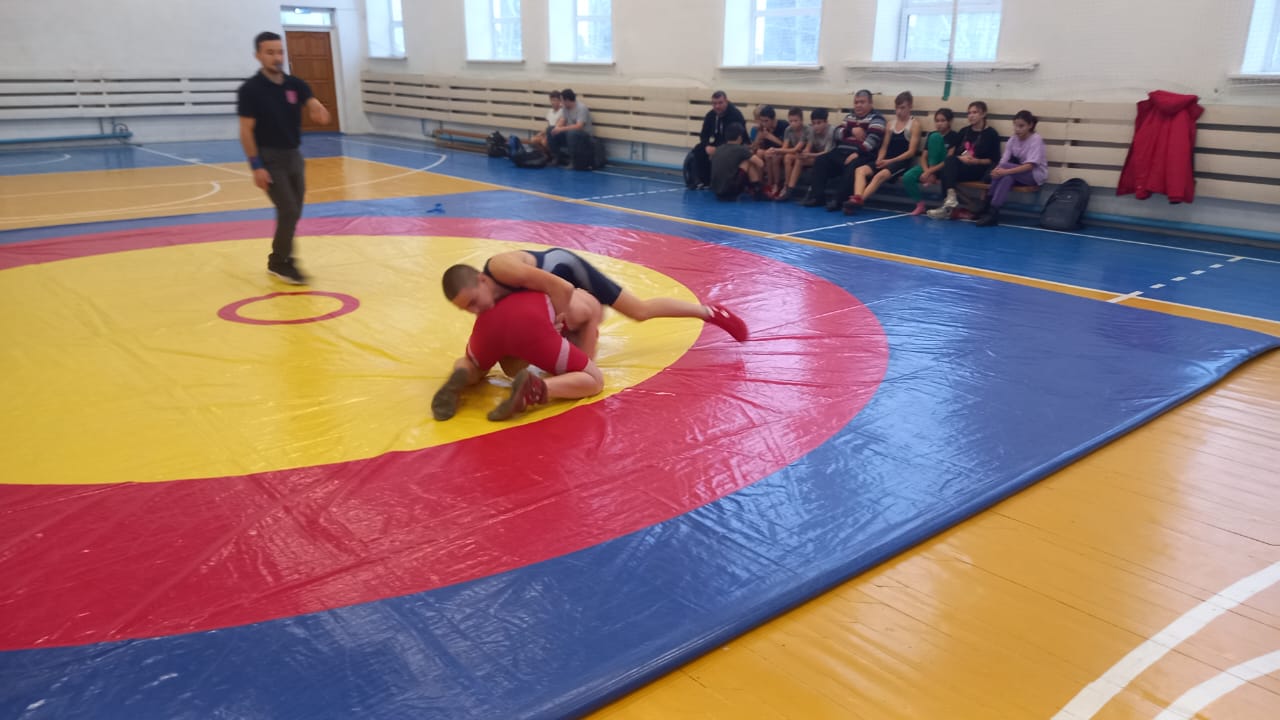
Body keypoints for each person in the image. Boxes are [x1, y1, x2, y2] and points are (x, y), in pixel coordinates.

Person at [441, 246, 749, 345]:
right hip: (558, 285)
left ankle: (710, 312)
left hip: (568, 270)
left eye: (473, 302)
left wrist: (557, 325)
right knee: (572, 330)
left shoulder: (501, 268)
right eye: (466, 309)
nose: (474, 311)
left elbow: (560, 288)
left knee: (639, 310)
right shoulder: (489, 296)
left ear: (482, 279)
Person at [237, 31, 330, 285]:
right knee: (288, 209)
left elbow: (312, 102)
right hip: (269, 158)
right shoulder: (251, 90)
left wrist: (318, 109)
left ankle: (280, 258)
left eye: (280, 52)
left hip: (293, 156)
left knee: (294, 210)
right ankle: (280, 262)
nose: (276, 57)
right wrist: (256, 166)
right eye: (270, 52)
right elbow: (245, 131)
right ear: (258, 55)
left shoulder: (294, 85)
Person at [431, 288, 605, 422]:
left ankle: (462, 372)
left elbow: (511, 368)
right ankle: (537, 388)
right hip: (533, 323)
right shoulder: (591, 309)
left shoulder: (550, 290)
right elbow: (585, 361)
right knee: (593, 380)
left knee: (474, 365)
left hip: (492, 316)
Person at [801, 89, 886, 211]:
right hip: (841, 151)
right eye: (856, 102)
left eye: (862, 102)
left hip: (863, 154)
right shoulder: (849, 117)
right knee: (821, 160)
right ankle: (817, 197)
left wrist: (857, 153)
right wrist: (852, 130)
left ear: (870, 103)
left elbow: (872, 140)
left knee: (853, 166)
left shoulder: (877, 119)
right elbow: (836, 133)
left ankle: (839, 200)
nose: (858, 105)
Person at [844, 91, 921, 214]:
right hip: (886, 160)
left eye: (902, 108)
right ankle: (857, 197)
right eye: (897, 108)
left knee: (879, 176)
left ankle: (858, 201)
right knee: (860, 170)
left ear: (910, 107)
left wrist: (889, 161)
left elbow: (911, 152)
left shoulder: (914, 125)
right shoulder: (890, 124)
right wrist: (880, 159)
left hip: (901, 162)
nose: (899, 111)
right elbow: (884, 147)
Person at [926, 100, 1001, 220]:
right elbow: (953, 154)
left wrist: (977, 161)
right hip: (962, 166)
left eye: (975, 112)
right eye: (969, 113)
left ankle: (947, 207)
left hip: (979, 169)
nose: (971, 115)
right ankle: (950, 199)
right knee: (948, 164)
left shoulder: (991, 134)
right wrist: (961, 158)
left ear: (983, 114)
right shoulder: (964, 131)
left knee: (948, 169)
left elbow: (994, 160)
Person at [975, 110, 1049, 227]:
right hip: (1017, 173)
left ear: (1030, 125)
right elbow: (1004, 160)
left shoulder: (1036, 139)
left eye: (1021, 126)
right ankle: (993, 212)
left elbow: (1030, 165)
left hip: (1034, 175)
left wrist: (1004, 171)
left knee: (1005, 171)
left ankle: (987, 203)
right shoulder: (1013, 139)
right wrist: (996, 171)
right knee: (1007, 178)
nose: (1017, 129)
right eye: (1015, 125)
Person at [901, 108, 959, 215]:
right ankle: (920, 204)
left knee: (936, 138)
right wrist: (926, 171)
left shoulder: (954, 136)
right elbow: (924, 157)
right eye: (937, 121)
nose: (939, 124)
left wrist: (930, 172)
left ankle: (946, 207)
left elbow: (949, 160)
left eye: (943, 120)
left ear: (950, 121)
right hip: (928, 167)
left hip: (943, 168)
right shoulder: (932, 134)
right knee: (907, 177)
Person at [689, 90, 747, 189]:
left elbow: (736, 138)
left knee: (723, 154)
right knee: (699, 149)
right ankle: (703, 181)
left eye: (720, 103)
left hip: (732, 145)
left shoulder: (735, 115)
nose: (717, 106)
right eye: (714, 103)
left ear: (726, 102)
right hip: (714, 143)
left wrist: (719, 149)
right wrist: (706, 145)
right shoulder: (710, 115)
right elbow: (704, 134)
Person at [781, 108, 835, 202]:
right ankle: (789, 189)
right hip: (816, 157)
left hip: (829, 159)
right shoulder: (811, 130)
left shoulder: (831, 131)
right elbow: (808, 148)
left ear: (826, 122)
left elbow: (827, 153)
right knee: (798, 159)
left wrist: (809, 154)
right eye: (814, 123)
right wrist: (804, 154)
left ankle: (808, 192)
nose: (816, 126)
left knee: (819, 161)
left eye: (819, 123)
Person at [710, 123, 764, 202]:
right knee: (748, 161)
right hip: (730, 191)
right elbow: (761, 163)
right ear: (740, 137)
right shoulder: (741, 149)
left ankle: (752, 188)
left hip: (716, 191)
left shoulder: (718, 149)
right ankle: (757, 190)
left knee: (737, 163)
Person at [764, 107, 808, 199]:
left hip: (801, 153)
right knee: (774, 156)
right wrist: (775, 151)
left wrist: (776, 149)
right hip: (791, 151)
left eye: (795, 121)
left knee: (787, 157)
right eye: (791, 121)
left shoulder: (806, 130)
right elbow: (785, 147)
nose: (793, 123)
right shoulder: (788, 129)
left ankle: (786, 185)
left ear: (801, 120)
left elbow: (796, 149)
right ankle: (775, 184)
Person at [548, 88, 594, 169]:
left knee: (572, 133)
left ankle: (574, 161)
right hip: (570, 134)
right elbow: (563, 120)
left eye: (562, 100)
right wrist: (556, 127)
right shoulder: (565, 108)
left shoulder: (581, 108)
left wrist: (561, 129)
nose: (561, 103)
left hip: (583, 136)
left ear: (567, 100)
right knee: (550, 129)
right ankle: (556, 157)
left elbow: (579, 126)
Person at [526, 90, 563, 161]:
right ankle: (546, 155)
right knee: (533, 140)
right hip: (548, 133)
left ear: (560, 101)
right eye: (552, 100)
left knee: (544, 142)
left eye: (555, 100)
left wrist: (546, 135)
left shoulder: (562, 112)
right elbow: (548, 126)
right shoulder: (550, 112)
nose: (553, 102)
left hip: (556, 135)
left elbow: (557, 126)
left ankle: (555, 155)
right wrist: (541, 133)